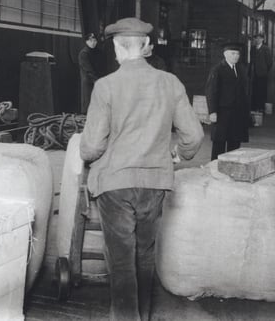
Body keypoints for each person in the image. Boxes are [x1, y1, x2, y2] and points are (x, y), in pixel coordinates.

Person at [79, 17, 203, 321]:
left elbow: (93, 145)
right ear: (145, 46)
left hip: (116, 184)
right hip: (154, 182)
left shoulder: (105, 86)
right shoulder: (170, 82)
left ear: (118, 48)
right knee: (145, 256)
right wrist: (178, 154)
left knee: (121, 262)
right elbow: (195, 135)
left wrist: (84, 150)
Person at [206, 42, 250, 160]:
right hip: (222, 112)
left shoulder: (241, 69)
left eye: (237, 54)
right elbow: (211, 92)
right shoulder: (218, 70)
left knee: (235, 142)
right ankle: (215, 168)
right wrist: (212, 111)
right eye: (233, 53)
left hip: (237, 112)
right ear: (225, 54)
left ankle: (232, 167)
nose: (236, 56)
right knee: (219, 142)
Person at [250, 34, 273, 112]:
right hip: (253, 74)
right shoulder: (253, 49)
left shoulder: (265, 49)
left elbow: (270, 62)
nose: (258, 40)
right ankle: (254, 107)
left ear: (263, 39)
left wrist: (265, 70)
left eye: (259, 38)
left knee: (262, 91)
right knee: (254, 91)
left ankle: (261, 108)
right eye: (256, 38)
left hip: (262, 74)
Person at [78, 33, 101, 113]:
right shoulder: (84, 53)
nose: (93, 42)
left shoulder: (97, 53)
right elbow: (88, 69)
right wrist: (97, 80)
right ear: (86, 42)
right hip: (88, 82)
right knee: (88, 102)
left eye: (95, 40)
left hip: (97, 81)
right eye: (91, 40)